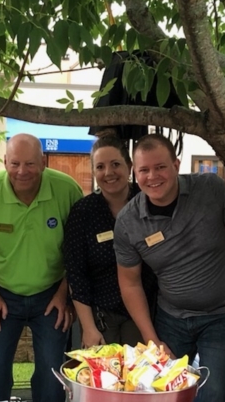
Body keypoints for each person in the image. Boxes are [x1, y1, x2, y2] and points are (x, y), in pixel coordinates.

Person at [113, 133, 225, 402]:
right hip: (172, 317)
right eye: (144, 170)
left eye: (160, 167)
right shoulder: (128, 221)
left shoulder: (210, 189)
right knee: (166, 393)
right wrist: (151, 338)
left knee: (214, 394)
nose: (153, 176)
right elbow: (130, 283)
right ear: (134, 174)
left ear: (176, 165)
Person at [0, 133, 83, 402]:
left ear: (43, 162)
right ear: (4, 162)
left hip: (52, 295)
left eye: (29, 164)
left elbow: (80, 250)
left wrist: (65, 294)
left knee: (52, 373)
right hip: (2, 294)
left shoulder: (67, 190)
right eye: (14, 163)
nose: (22, 171)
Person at [62, 135, 157, 347]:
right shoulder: (83, 212)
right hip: (100, 316)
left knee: (141, 377)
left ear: (130, 166)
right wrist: (88, 328)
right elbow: (76, 274)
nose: (108, 173)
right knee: (104, 377)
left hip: (146, 314)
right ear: (94, 172)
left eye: (115, 164)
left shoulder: (149, 202)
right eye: (100, 167)